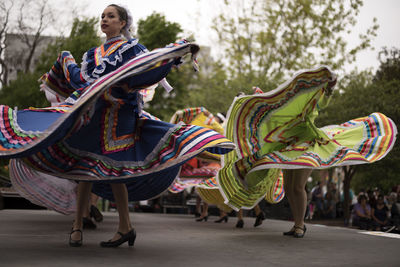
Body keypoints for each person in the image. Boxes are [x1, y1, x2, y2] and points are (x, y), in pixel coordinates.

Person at [1, 4, 234, 248]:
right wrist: (65, 62)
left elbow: (144, 74)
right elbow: (82, 82)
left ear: (122, 23)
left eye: (110, 16)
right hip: (92, 113)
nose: (104, 19)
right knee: (85, 166)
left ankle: (117, 227)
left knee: (114, 169)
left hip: (119, 118)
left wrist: (171, 55)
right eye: (102, 16)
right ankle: (82, 226)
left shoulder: (133, 48)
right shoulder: (92, 55)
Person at [215, 66, 397, 239]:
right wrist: (254, 97)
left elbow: (322, 100)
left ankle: (300, 224)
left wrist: (329, 89)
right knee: (288, 188)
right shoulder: (285, 109)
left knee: (297, 186)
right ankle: (297, 224)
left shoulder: (310, 105)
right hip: (288, 148)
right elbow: (271, 108)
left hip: (308, 145)